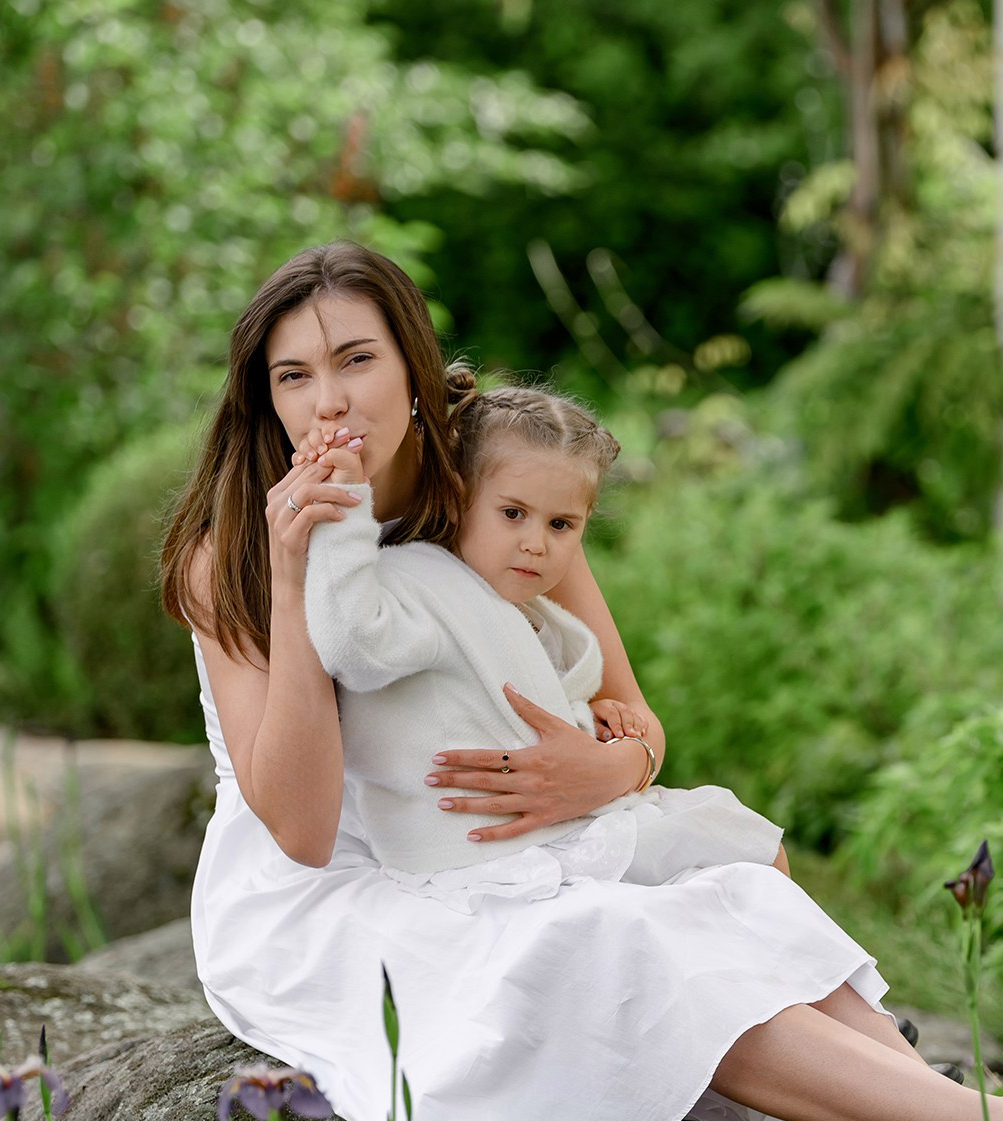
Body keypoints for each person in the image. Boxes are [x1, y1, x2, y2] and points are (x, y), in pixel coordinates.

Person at [158, 241, 1003, 1121]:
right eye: (294, 376)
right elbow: (304, 826)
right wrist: (294, 565)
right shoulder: (236, 542)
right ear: (263, 397)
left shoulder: (494, 466)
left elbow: (631, 713)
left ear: (414, 366)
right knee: (612, 947)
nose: (331, 400)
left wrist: (598, 774)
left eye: (356, 360)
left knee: (737, 894)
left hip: (518, 839)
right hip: (338, 890)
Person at [296, 373, 784, 894]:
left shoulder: (517, 607)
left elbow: (506, 709)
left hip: (550, 827)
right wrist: (343, 504)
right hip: (483, 851)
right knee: (750, 854)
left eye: (561, 525)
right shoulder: (416, 582)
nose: (536, 543)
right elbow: (351, 644)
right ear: (459, 497)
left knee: (757, 852)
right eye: (513, 514)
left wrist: (596, 727)